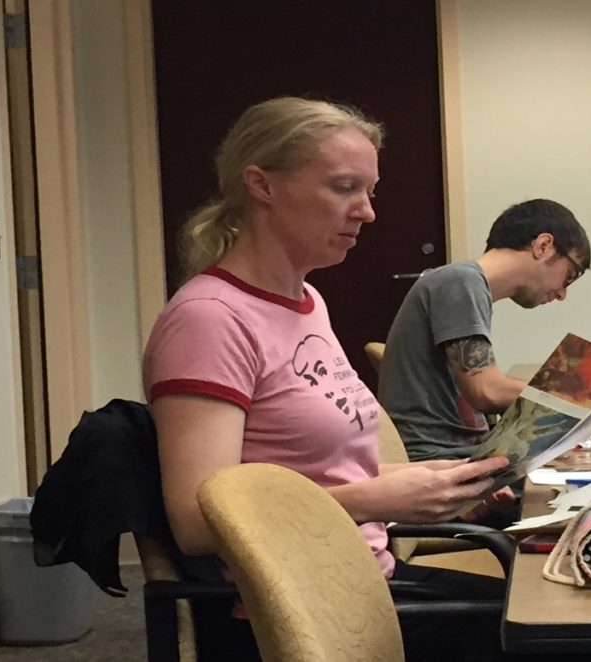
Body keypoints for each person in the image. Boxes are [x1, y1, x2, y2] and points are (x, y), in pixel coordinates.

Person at [142, 96, 512, 662]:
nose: (366, 211)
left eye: (370, 191)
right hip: (297, 613)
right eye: (344, 188)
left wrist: (433, 481)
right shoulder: (209, 319)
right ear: (262, 185)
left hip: (364, 578)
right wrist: (380, 498)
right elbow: (197, 523)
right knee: (581, 636)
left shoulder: (307, 301)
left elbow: (316, 466)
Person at [378, 199, 591, 464]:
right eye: (570, 274)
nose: (562, 293)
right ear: (543, 246)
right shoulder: (460, 282)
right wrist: (582, 396)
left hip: (458, 456)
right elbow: (487, 391)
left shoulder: (467, 285)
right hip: (440, 463)